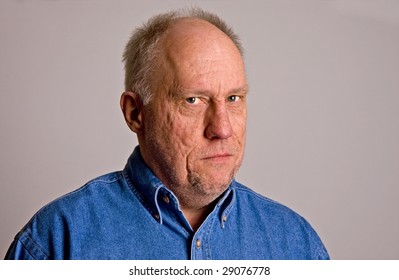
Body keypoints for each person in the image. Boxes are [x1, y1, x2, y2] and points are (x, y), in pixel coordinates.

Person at [5, 8, 329, 260]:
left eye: (233, 99)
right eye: (193, 100)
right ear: (135, 113)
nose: (222, 128)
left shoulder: (295, 244)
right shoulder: (57, 244)